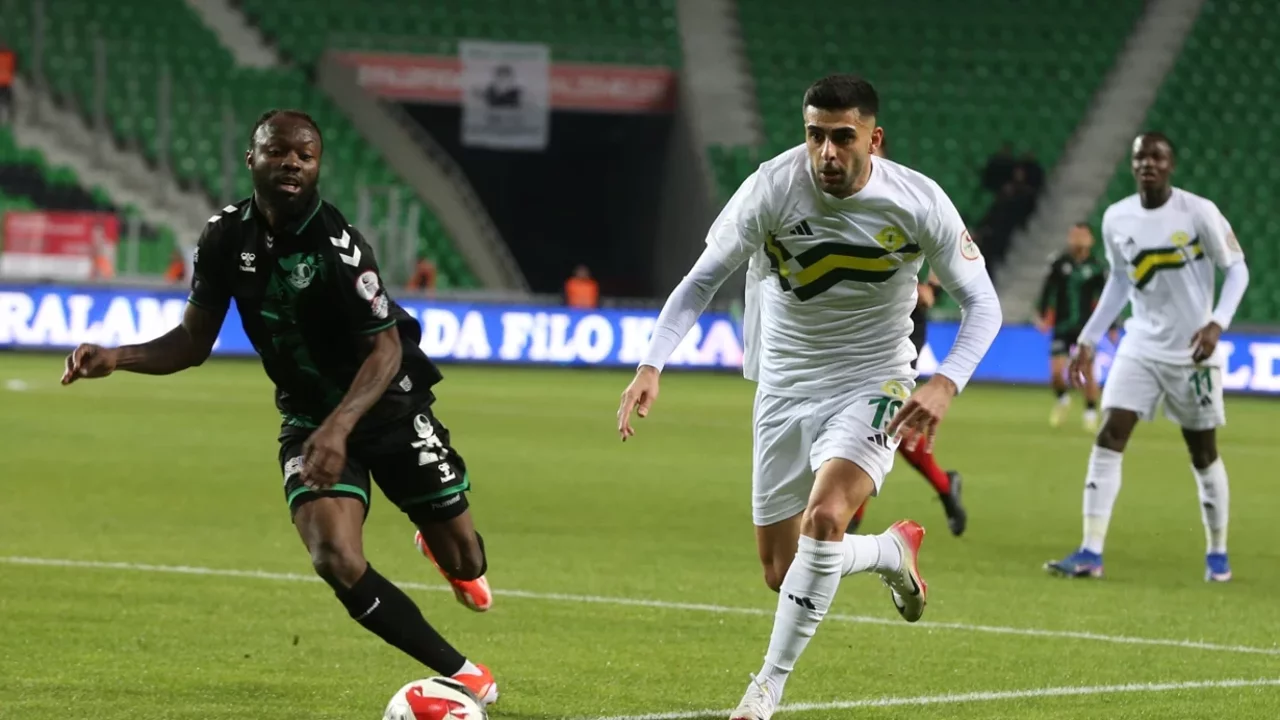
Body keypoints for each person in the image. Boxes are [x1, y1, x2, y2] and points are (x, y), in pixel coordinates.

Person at [59, 110, 499, 705]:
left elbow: (387, 349)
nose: (291, 162)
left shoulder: (339, 245)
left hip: (387, 406)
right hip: (308, 418)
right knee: (334, 555)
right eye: (277, 151)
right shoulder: (223, 236)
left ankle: (442, 551)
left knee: (467, 559)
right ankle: (464, 673)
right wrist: (118, 357)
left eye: (305, 155)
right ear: (252, 158)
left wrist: (340, 428)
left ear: (317, 166)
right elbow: (192, 341)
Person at [616, 75, 1002, 720]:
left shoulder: (918, 201)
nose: (826, 151)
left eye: (843, 137)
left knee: (825, 519)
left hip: (875, 378)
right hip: (784, 386)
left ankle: (765, 688)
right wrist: (651, 363)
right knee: (782, 569)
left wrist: (944, 381)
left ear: (874, 139)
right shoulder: (772, 187)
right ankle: (888, 551)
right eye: (815, 135)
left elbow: (982, 304)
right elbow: (701, 280)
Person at [1044, 132, 1249, 583]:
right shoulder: (1117, 218)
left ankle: (1217, 552)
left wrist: (1217, 323)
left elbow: (1237, 269)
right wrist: (1088, 339)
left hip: (1193, 352)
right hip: (1140, 345)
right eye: (1141, 157)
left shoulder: (1198, 212)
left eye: (1157, 157)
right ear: (1133, 165)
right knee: (1110, 434)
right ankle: (1091, 551)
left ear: (1170, 165)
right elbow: (1120, 282)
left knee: (1203, 452)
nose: (1148, 164)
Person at [847, 138, 966, 537]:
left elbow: (952, 252)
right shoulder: (837, 201)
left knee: (875, 417)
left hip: (904, 324)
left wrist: (931, 287)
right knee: (881, 422)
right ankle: (945, 486)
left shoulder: (908, 199)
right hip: (855, 325)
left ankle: (849, 518)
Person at [1035, 222, 1109, 431]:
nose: (1077, 239)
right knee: (1056, 372)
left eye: (1082, 235)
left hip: (1086, 328)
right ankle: (1063, 399)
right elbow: (1047, 290)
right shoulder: (1059, 264)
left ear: (1091, 240)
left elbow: (1106, 298)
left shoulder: (1096, 267)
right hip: (1062, 325)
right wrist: (1043, 314)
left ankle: (1090, 412)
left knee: (1088, 372)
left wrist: (1111, 325)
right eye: (1074, 235)